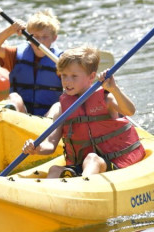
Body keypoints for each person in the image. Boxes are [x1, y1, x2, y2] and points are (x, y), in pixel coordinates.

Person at [22, 45, 145, 178]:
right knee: (55, 170)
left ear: (91, 76)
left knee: (92, 159)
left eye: (74, 76)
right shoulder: (62, 108)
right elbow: (50, 145)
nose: (67, 81)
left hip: (115, 162)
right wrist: (35, 148)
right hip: (83, 166)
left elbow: (130, 111)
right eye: (64, 75)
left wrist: (114, 89)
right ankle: (50, 196)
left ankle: (84, 189)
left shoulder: (105, 98)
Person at [0, 9, 63, 116]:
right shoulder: (15, 54)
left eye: (45, 37)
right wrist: (11, 30)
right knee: (14, 97)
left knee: (57, 106)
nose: (39, 41)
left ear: (54, 38)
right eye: (35, 37)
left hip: (48, 119)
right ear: (28, 37)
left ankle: (48, 127)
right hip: (22, 115)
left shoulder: (61, 61)